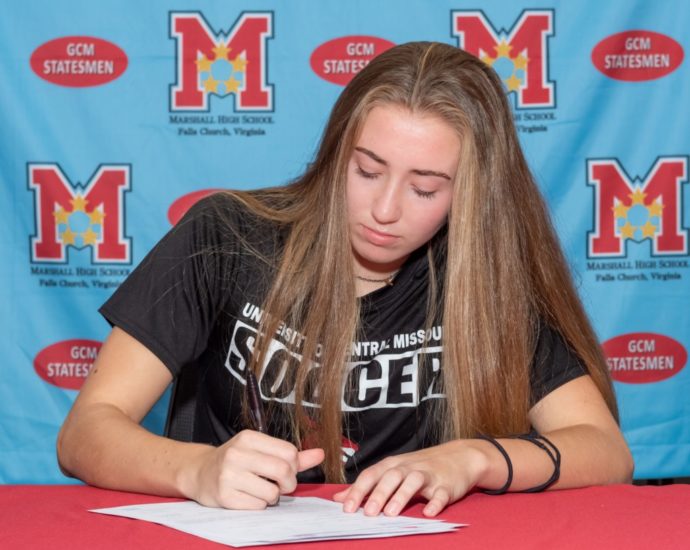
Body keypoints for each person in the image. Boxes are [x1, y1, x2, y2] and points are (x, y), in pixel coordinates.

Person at [57, 41, 633, 518]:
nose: (385, 209)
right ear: (335, 155)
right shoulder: (226, 236)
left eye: (426, 188)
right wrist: (196, 469)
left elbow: (605, 450)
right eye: (367, 170)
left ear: (471, 196)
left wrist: (472, 459)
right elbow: (85, 434)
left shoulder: (487, 280)